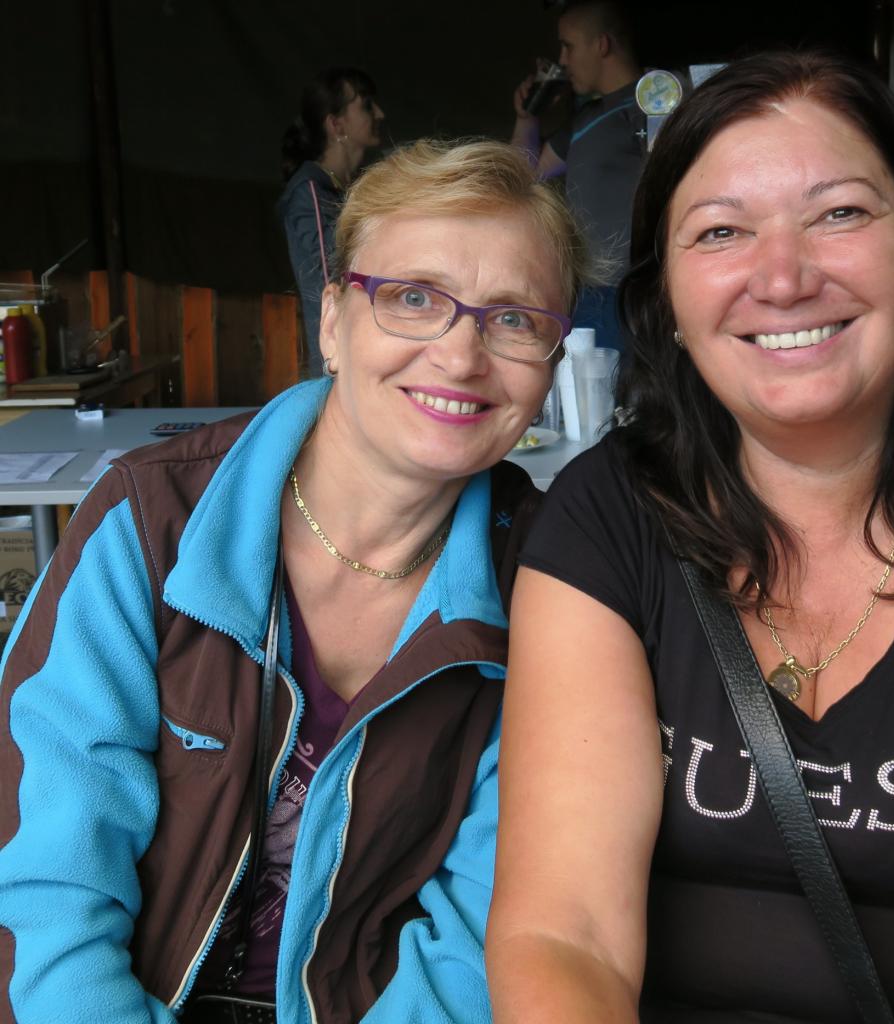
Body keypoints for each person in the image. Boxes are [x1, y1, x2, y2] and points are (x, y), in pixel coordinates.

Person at [487, 50, 894, 1022]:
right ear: (667, 303)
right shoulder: (607, 517)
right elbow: (564, 935)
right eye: (721, 230)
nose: (783, 276)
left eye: (838, 213)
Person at [0, 138, 588, 1023]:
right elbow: (48, 880)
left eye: (513, 319)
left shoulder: (552, 581)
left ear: (550, 360)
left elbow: (486, 931)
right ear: (332, 321)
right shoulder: (152, 520)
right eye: (414, 298)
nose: (460, 356)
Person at [511, 0, 644, 351]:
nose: (563, 60)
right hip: (588, 292)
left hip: (639, 289)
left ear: (601, 44)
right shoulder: (585, 118)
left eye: (568, 46)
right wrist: (527, 119)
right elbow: (523, 178)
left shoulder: (655, 98)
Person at [279, 67, 386, 376]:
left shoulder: (349, 189)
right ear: (336, 124)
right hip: (339, 365)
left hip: (364, 352)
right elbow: (330, 277)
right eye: (366, 105)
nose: (379, 113)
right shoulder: (310, 190)